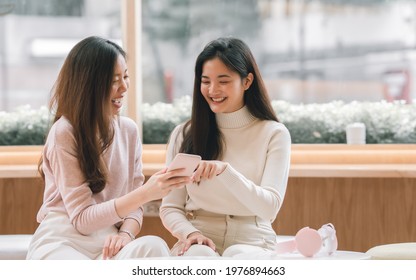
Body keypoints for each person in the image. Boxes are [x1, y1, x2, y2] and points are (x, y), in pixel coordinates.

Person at [26, 36, 191, 260]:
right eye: (114, 80)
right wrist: (147, 192)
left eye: (125, 77)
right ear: (89, 84)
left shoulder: (129, 131)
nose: (123, 87)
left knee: (154, 247)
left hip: (109, 241)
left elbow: (134, 207)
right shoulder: (65, 132)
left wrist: (125, 234)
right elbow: (82, 220)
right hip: (63, 239)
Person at [159, 37, 291, 257]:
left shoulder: (274, 134)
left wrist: (226, 172)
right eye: (205, 81)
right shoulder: (184, 134)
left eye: (223, 81)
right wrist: (190, 234)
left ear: (247, 81)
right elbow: (170, 207)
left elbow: (269, 208)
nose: (213, 90)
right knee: (199, 257)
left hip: (253, 240)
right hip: (199, 237)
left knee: (239, 258)